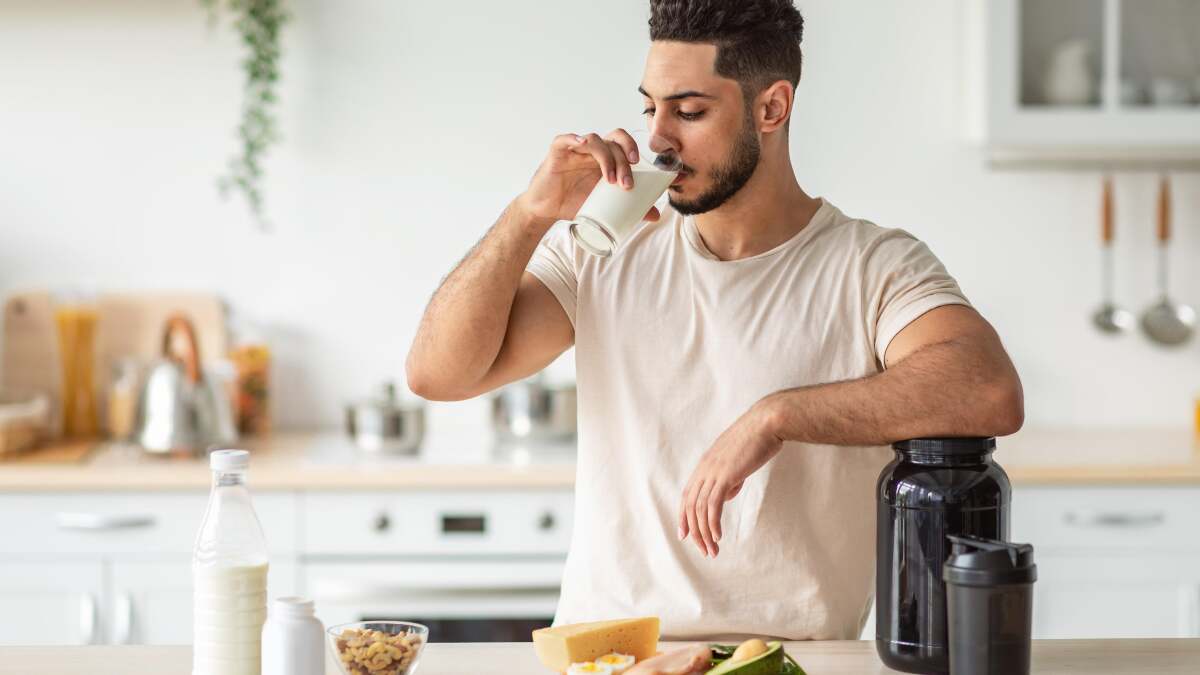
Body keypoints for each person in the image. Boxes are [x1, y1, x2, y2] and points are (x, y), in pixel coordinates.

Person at [406, 0, 1023, 640]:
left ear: (772, 108)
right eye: (652, 108)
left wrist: (776, 415)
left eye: (690, 111)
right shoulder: (605, 244)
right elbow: (437, 375)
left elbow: (988, 390)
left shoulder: (871, 264)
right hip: (609, 655)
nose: (658, 139)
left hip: (784, 660)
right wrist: (529, 214)